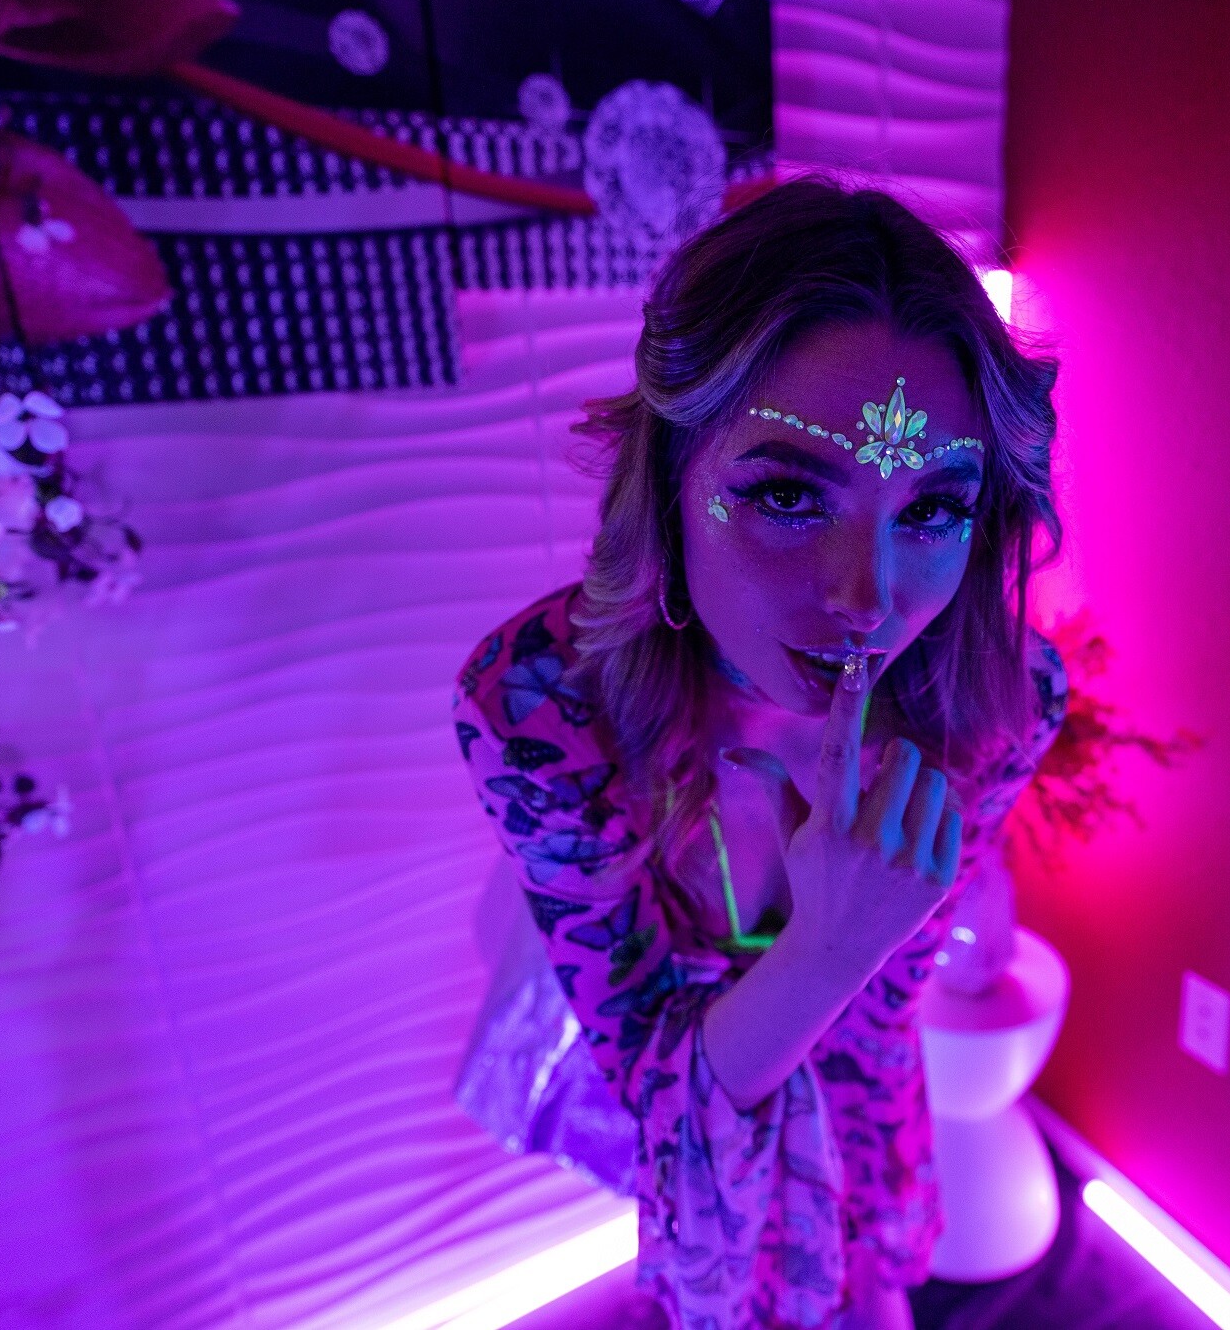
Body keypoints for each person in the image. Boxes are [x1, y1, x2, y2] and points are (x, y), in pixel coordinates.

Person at [451, 176, 1068, 1330]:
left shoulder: (1003, 699)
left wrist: (867, 1265)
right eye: (788, 494)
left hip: (863, 1110)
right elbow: (658, 1082)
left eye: (930, 508)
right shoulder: (538, 705)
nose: (866, 598)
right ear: (669, 480)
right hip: (690, 1129)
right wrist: (827, 944)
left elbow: (878, 1030)